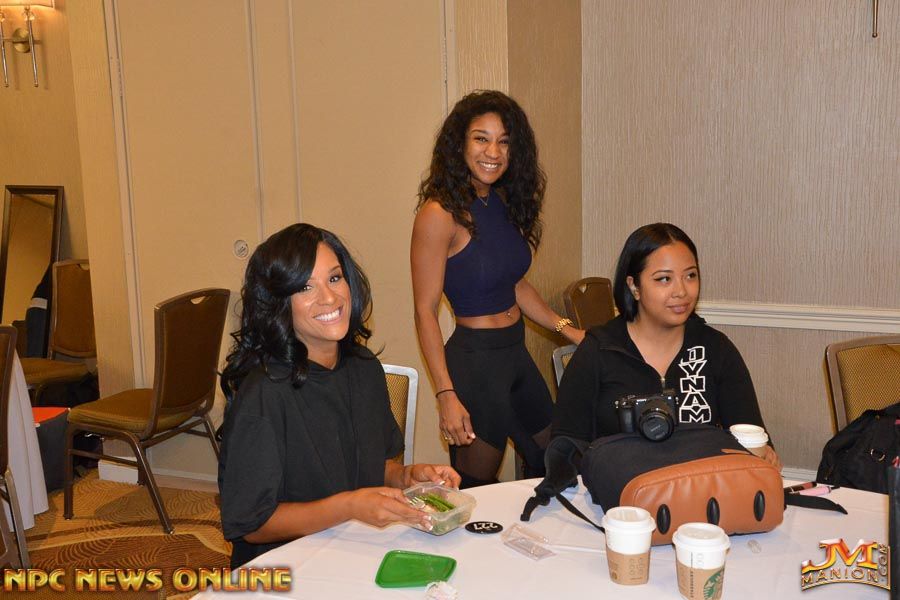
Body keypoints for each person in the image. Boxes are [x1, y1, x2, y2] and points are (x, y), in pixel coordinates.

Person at [219, 223, 460, 567]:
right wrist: (349, 506)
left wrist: (407, 478)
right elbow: (251, 524)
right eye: (305, 287)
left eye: (334, 278)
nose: (330, 298)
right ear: (278, 303)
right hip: (283, 568)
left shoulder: (363, 368)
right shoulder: (265, 393)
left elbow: (370, 466)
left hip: (351, 547)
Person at [411, 90, 585, 489]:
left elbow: (515, 283)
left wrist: (570, 330)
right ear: (459, 144)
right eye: (481, 138)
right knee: (477, 487)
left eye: (503, 141)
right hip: (475, 364)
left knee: (558, 463)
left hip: (515, 354)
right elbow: (424, 311)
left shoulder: (502, 202)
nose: (493, 152)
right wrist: (445, 394)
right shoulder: (439, 214)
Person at [553, 223, 781, 469]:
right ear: (634, 286)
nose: (681, 291)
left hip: (697, 486)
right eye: (664, 279)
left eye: (690, 276)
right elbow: (565, 450)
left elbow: (752, 434)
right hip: (620, 489)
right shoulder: (598, 352)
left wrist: (764, 454)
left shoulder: (716, 349)